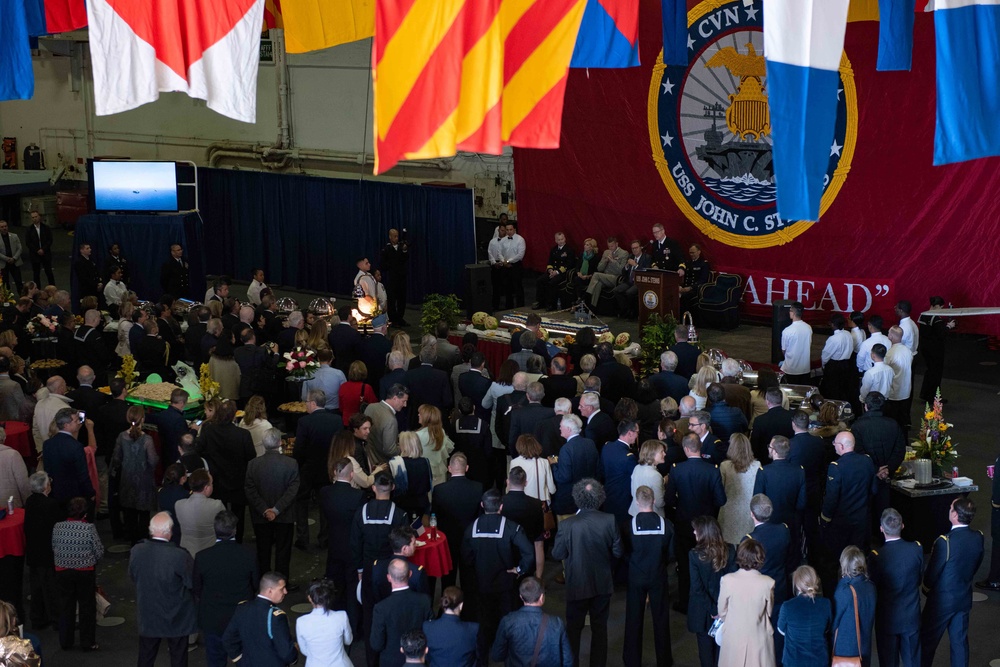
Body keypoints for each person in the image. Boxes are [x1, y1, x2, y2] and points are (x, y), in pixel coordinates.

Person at [551, 478, 623, 667]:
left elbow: (557, 553)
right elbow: (618, 551)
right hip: (602, 583)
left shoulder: (568, 525)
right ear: (600, 498)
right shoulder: (609, 520)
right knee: (600, 628)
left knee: (573, 629)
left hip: (577, 584)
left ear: (577, 498)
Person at [461, 488, 535, 662]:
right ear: (501, 506)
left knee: (485, 623)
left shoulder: (471, 528)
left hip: (481, 585)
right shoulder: (512, 527)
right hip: (506, 584)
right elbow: (529, 553)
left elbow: (465, 557)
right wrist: (519, 570)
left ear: (482, 505)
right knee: (507, 620)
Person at [920, 497, 984, 667]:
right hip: (963, 597)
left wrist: (926, 590)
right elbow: (976, 563)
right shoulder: (978, 537)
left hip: (941, 602)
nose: (949, 509)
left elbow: (932, 574)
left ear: (955, 515)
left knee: (927, 642)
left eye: (950, 508)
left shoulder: (944, 542)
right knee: (959, 644)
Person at [130, 512, 199, 667]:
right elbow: (192, 583)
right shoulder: (180, 555)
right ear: (170, 531)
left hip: (148, 614)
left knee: (146, 656)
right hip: (176, 616)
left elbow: (133, 576)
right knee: (178, 656)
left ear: (150, 529)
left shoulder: (137, 550)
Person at [193, 510, 259, 667]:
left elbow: (197, 589)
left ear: (214, 530)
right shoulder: (248, 554)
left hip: (213, 619)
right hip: (241, 619)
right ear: (235, 530)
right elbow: (256, 585)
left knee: (215, 660)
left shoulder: (202, 557)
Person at [623, 484, 674, 667]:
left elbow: (624, 552)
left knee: (633, 619)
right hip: (658, 576)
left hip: (636, 577)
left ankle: (631, 660)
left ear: (637, 503)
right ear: (653, 501)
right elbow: (671, 554)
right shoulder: (666, 525)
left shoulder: (629, 525)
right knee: (661, 619)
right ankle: (664, 660)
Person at [820, 431, 876, 592]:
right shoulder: (867, 461)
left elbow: (831, 499)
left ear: (842, 446)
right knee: (859, 559)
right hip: (862, 521)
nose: (833, 446)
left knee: (833, 561)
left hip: (841, 524)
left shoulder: (836, 467)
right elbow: (874, 489)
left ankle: (835, 592)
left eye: (835, 444)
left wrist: (825, 519)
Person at [245, 428, 300, 586]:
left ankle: (264, 583)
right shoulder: (291, 464)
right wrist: (276, 510)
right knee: (283, 550)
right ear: (279, 443)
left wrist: (264, 509)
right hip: (284, 515)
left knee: (263, 550)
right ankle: (282, 583)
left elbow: (250, 489)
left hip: (260, 516)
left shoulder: (253, 464)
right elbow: (292, 490)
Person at [867, 508, 922, 667]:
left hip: (887, 620)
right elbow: (918, 579)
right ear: (902, 526)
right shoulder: (916, 549)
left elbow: (873, 588)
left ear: (881, 529)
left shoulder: (876, 556)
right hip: (911, 617)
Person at [196, 400, 256, 543]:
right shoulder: (243, 434)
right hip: (238, 481)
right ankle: (237, 541)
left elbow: (198, 450)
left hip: (216, 480)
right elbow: (251, 457)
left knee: (218, 514)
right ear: (234, 415)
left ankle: (219, 540)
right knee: (238, 516)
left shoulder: (208, 430)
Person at [51, 497, 103, 651]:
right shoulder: (88, 529)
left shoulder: (57, 527)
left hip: (62, 572)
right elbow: (99, 551)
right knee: (87, 607)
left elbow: (54, 546)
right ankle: (87, 642)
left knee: (66, 606)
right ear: (85, 513)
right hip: (84, 572)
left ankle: (66, 641)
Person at [295, 388, 343, 547]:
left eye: (307, 402)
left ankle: (303, 539)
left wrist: (300, 465)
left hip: (308, 470)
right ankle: (325, 538)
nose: (306, 405)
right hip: (328, 469)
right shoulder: (337, 420)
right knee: (325, 505)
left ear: (313, 403)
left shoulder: (304, 422)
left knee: (301, 503)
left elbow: (299, 450)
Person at [852, 391, 905, 536]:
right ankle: (885, 538)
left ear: (866, 406)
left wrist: (875, 469)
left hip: (867, 477)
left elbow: (858, 452)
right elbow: (900, 450)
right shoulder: (894, 424)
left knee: (866, 511)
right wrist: (888, 469)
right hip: (886, 476)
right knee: (884, 509)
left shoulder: (857, 426)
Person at [320, 457, 365, 628]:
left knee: (334, 588)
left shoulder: (325, 492)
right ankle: (353, 626)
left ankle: (333, 624)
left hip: (333, 546)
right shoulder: (358, 496)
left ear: (334, 472)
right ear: (352, 475)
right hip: (352, 548)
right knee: (352, 588)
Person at [717, 539, 776, 667]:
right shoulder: (768, 582)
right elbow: (769, 612)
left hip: (733, 635)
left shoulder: (727, 580)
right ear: (760, 558)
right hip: (758, 636)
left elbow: (721, 611)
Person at [492, 577, 573, 667]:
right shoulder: (557, 623)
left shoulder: (508, 621)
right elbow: (568, 661)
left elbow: (497, 656)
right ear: (542, 597)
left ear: (521, 597)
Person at [688, 515, 736, 667]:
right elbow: (733, 583)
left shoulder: (694, 555)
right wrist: (720, 608)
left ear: (703, 533)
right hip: (726, 611)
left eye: (696, 531)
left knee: (706, 655)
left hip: (703, 612)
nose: (694, 533)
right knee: (722, 654)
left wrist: (713, 609)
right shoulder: (730, 550)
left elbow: (697, 589)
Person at [222, 571, 298, 666]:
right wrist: (294, 655)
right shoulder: (277, 616)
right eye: (282, 589)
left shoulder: (242, 608)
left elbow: (228, 638)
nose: (285, 592)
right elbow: (286, 652)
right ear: (270, 591)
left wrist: (240, 660)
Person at [753, 436, 806, 572]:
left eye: (770, 447)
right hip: (792, 522)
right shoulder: (799, 470)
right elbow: (801, 503)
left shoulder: (764, 472)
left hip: (770, 522)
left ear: (775, 452)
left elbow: (757, 500)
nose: (769, 450)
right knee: (791, 560)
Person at [430, 453, 482, 590]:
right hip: (470, 539)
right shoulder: (478, 488)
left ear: (449, 468)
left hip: (447, 539)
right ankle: (469, 607)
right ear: (467, 468)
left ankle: (447, 605)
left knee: (448, 577)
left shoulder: (439, 490)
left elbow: (434, 516)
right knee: (469, 578)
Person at [370, 559, 433, 667]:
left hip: (390, 662)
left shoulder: (381, 608)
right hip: (418, 659)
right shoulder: (424, 601)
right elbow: (430, 631)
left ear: (389, 578)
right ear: (410, 574)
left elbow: (376, 645)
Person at [111, 406, 159, 545]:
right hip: (144, 480)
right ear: (142, 419)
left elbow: (116, 458)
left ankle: (132, 539)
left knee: (129, 512)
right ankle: (143, 539)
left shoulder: (122, 436)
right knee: (144, 514)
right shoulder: (147, 439)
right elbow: (152, 460)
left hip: (127, 479)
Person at [24, 471, 61, 630]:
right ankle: (56, 619)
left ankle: (37, 618)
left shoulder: (29, 501)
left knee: (37, 587)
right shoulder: (51, 504)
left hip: (33, 551)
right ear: (46, 486)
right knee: (50, 587)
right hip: (47, 552)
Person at [776, 565, 831, 667]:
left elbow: (781, 630)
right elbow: (827, 629)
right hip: (819, 661)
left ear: (797, 585)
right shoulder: (826, 604)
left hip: (794, 661)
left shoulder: (787, 606)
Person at [832, 546, 877, 667]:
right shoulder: (871, 587)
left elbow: (834, 622)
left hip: (846, 649)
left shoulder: (844, 590)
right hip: (864, 645)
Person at [42, 407, 95, 506]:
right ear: (66, 425)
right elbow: (82, 474)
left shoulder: (47, 444)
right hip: (74, 495)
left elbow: (47, 469)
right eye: (76, 421)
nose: (79, 422)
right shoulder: (76, 446)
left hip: (55, 492)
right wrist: (90, 493)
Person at [549, 415, 599, 519]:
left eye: (561, 426)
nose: (559, 428)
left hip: (570, 500)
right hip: (589, 496)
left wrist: (553, 465)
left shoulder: (566, 449)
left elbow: (564, 477)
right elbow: (597, 468)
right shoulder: (590, 443)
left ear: (568, 429)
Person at [295, 578, 353, 667]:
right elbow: (348, 641)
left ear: (310, 598)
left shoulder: (301, 622)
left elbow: (305, 651)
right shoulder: (342, 616)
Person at [718, 433, 760, 544]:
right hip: (749, 511)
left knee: (729, 545)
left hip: (729, 511)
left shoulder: (725, 466)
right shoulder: (756, 465)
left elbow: (720, 488)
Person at [175, 469, 226, 557]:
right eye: (211, 483)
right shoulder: (217, 505)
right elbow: (225, 527)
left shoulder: (179, 505)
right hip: (210, 554)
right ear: (206, 487)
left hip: (187, 554)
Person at [422, 586, 478, 667]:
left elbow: (427, 656)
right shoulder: (473, 629)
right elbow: (478, 656)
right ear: (461, 605)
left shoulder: (427, 627)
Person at [600, 419, 639, 524]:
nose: (637, 436)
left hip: (608, 496)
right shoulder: (629, 457)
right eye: (637, 432)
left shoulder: (607, 447)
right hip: (623, 500)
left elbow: (602, 471)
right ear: (630, 433)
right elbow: (635, 479)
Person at [918, 296, 954, 403]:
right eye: (941, 307)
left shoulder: (923, 315)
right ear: (937, 306)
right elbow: (941, 334)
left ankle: (925, 394)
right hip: (936, 350)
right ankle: (934, 397)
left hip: (924, 347)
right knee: (936, 373)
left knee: (929, 371)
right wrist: (949, 326)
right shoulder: (936, 319)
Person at [533, 231, 576, 311]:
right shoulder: (554, 249)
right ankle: (540, 302)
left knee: (552, 282)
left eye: (562, 239)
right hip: (552, 271)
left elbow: (569, 264)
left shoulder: (569, 250)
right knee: (540, 280)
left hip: (562, 273)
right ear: (555, 240)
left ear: (565, 239)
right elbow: (550, 262)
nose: (560, 241)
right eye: (558, 240)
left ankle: (551, 304)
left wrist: (556, 272)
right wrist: (550, 270)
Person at [749, 387, 793, 461]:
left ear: (767, 402)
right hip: (787, 458)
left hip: (765, 459)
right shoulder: (792, 417)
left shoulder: (760, 420)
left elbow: (755, 444)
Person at [415, 404, 454, 487]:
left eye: (420, 413)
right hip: (440, 474)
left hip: (424, 474)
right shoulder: (441, 432)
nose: (418, 415)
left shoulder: (417, 435)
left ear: (427, 417)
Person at [510, 433, 555, 504]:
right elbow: (552, 489)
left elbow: (511, 487)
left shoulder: (514, 462)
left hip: (522, 502)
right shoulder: (544, 462)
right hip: (540, 503)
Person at [820, 313, 856, 401]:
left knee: (833, 390)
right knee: (844, 388)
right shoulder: (848, 334)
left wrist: (824, 365)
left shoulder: (833, 339)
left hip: (834, 367)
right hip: (847, 364)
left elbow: (825, 355)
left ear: (832, 324)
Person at [613, 240, 652, 317]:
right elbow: (623, 272)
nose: (634, 250)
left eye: (636, 248)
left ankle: (632, 311)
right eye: (633, 248)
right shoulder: (630, 256)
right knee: (616, 290)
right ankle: (625, 309)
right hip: (629, 281)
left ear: (640, 248)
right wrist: (627, 266)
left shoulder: (647, 257)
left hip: (639, 282)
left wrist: (636, 265)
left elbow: (647, 272)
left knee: (629, 292)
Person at [628, 439, 666, 517]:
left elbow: (633, 493)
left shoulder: (637, 468)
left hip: (635, 513)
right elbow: (659, 503)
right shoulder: (655, 475)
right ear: (652, 454)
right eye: (661, 452)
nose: (664, 454)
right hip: (652, 516)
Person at [780, 301, 812, 385]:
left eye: (790, 310)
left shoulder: (787, 331)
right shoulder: (808, 328)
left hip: (792, 369)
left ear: (793, 313)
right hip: (805, 368)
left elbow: (784, 350)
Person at [0, 425, 29, 507]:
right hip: (11, 505)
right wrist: (28, 501)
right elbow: (23, 482)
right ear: (4, 438)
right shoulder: (13, 455)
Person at [25, 210, 54, 286]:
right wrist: (37, 250)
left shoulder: (46, 228)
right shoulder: (29, 229)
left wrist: (43, 249)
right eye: (33, 217)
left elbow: (50, 240)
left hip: (46, 253)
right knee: (36, 274)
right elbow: (28, 243)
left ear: (39, 217)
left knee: (49, 272)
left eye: (36, 217)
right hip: (35, 255)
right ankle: (37, 291)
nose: (34, 218)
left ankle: (53, 289)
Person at [0, 219, 23, 293]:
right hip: (3, 263)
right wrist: (7, 259)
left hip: (15, 262)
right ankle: (7, 299)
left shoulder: (14, 236)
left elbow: (19, 248)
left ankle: (22, 296)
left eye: (5, 226)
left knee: (18, 281)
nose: (4, 228)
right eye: (2, 227)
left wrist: (14, 258)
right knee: (5, 283)